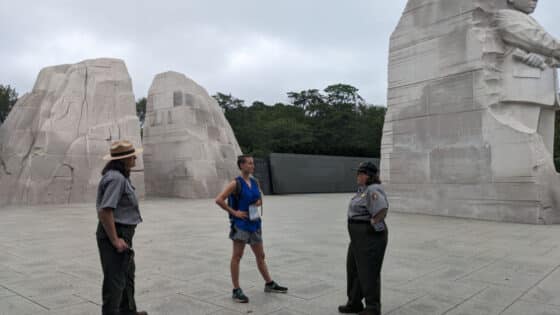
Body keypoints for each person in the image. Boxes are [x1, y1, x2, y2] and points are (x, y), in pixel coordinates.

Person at [215, 154, 287, 303]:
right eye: (249, 163)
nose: (252, 166)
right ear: (241, 165)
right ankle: (236, 290)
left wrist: (259, 202)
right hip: (241, 225)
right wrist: (234, 212)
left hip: (255, 224)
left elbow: (259, 198)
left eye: (253, 163)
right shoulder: (236, 183)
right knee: (237, 256)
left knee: (261, 256)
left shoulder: (255, 182)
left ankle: (269, 283)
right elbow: (219, 199)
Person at [96, 140, 148, 315]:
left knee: (126, 276)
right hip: (115, 232)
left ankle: (128, 311)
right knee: (115, 281)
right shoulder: (116, 178)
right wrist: (115, 240)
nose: (135, 158)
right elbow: (105, 211)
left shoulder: (120, 176)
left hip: (122, 232)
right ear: (124, 160)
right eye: (131, 156)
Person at [338, 162, 388, 315]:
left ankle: (373, 307)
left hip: (370, 237)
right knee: (353, 269)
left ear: (369, 176)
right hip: (357, 238)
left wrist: (372, 222)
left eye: (361, 173)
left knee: (368, 271)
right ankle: (354, 303)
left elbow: (382, 208)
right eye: (358, 173)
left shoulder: (373, 189)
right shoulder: (362, 190)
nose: (357, 176)